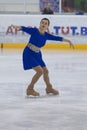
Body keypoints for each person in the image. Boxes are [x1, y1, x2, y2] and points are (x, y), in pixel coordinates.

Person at [11, 18, 74, 96]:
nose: (43, 25)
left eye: (45, 23)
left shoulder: (46, 35)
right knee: (40, 71)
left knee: (46, 71)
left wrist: (69, 41)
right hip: (29, 53)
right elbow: (23, 28)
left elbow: (57, 38)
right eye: (42, 23)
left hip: (37, 54)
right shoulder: (34, 31)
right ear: (40, 24)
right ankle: (30, 89)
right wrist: (16, 26)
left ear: (47, 26)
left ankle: (49, 88)